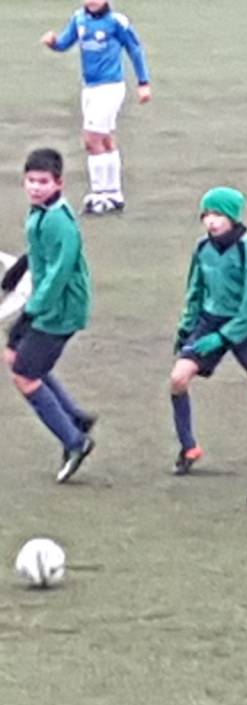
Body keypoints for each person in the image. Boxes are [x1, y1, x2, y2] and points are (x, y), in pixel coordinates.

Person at [170, 187, 247, 475]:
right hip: (209, 321)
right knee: (178, 379)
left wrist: (223, 337)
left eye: (218, 214)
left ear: (233, 217)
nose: (211, 221)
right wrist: (186, 328)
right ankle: (188, 447)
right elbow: (195, 289)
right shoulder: (203, 248)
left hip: (244, 326)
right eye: (207, 214)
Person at [5, 149, 96, 483]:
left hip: (60, 310)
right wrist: (19, 269)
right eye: (31, 180)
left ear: (59, 183)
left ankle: (75, 441)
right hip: (46, 304)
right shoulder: (42, 212)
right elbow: (42, 249)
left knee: (25, 375)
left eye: (43, 182)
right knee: (13, 353)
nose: (36, 187)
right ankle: (74, 418)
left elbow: (60, 271)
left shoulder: (59, 219)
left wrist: (32, 309)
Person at [41, 0, 152, 215]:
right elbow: (66, 43)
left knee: (91, 140)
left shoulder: (116, 21)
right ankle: (114, 194)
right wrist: (53, 43)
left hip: (110, 86)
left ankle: (100, 194)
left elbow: (135, 49)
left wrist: (143, 82)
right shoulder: (79, 18)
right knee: (106, 139)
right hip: (89, 88)